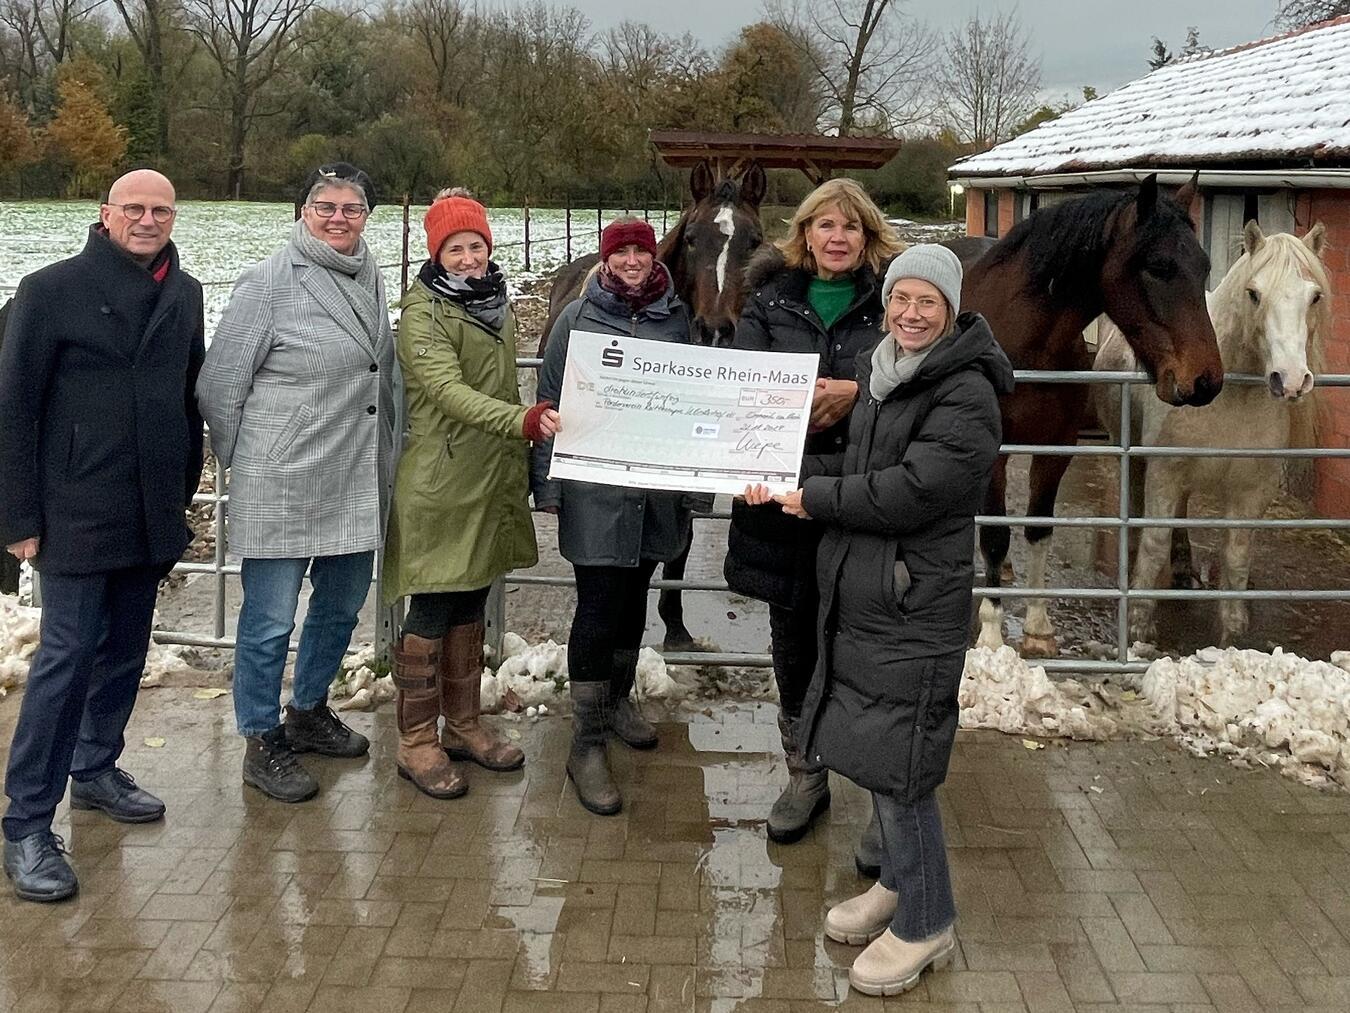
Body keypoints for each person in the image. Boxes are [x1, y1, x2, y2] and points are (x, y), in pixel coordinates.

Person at [748, 244, 1012, 995]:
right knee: (882, 753)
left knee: (904, 772)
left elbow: (912, 489)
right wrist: (790, 477)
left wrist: (817, 500)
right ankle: (899, 886)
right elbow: (860, 465)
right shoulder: (885, 370)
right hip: (873, 596)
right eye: (901, 298)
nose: (910, 312)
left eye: (928, 301)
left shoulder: (965, 391)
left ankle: (928, 921)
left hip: (914, 600)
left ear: (951, 307)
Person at [0, 169, 204, 902]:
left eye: (161, 210)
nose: (148, 220)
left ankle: (95, 768)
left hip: (150, 509)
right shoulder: (47, 290)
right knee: (65, 660)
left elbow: (187, 400)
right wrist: (17, 519)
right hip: (75, 508)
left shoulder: (185, 293)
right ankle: (25, 822)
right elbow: (13, 405)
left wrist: (180, 491)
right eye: (135, 209)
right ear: (105, 214)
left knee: (122, 653)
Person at [196, 165, 396, 804]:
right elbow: (219, 384)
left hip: (351, 473)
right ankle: (260, 737)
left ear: (367, 215)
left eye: (352, 207)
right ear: (302, 211)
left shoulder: (371, 278)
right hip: (282, 479)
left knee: (341, 604)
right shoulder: (268, 282)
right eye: (325, 206)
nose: (339, 217)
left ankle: (307, 710)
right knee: (269, 619)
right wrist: (255, 459)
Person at [724, 178, 904, 847]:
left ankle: (881, 788)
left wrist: (858, 392)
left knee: (867, 641)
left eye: (850, 227)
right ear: (804, 235)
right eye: (824, 225)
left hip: (861, 496)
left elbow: (916, 378)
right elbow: (745, 387)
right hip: (785, 498)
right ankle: (806, 772)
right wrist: (805, 400)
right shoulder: (768, 303)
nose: (836, 237)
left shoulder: (892, 304)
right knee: (794, 639)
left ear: (868, 237)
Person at [382, 191, 556, 798]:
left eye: (475, 245)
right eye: (454, 247)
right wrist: (523, 422)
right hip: (441, 481)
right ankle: (415, 741)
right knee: (431, 609)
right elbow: (447, 391)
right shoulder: (422, 315)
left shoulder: (497, 305)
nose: (466, 257)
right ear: (436, 253)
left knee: (471, 603)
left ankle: (462, 724)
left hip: (489, 478)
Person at [532, 217, 696, 815]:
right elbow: (549, 402)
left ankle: (618, 700)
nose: (631, 261)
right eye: (620, 252)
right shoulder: (576, 322)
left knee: (635, 603)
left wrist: (695, 494)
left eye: (641, 253)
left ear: (655, 260)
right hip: (596, 497)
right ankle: (586, 741)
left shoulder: (679, 323)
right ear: (605, 260)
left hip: (656, 496)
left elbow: (697, 406)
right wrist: (547, 489)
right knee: (598, 607)